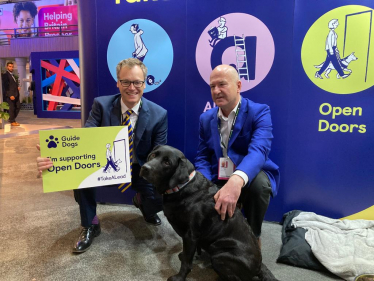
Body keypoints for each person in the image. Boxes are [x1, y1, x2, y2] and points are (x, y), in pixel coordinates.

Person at [36, 58, 168, 253]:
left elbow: (158, 154)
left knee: (161, 193)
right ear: (117, 82)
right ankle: (90, 224)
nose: (132, 87)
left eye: (137, 82)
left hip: (138, 169)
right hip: (106, 166)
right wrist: (57, 157)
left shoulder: (159, 114)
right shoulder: (102, 105)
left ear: (144, 83)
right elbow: (86, 139)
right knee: (79, 177)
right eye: (125, 82)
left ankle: (142, 202)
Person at [195, 64, 280, 247]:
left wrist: (236, 179)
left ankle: (253, 236)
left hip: (249, 173)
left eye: (222, 84)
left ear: (238, 86)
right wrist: (202, 183)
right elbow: (203, 156)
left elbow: (259, 151)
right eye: (212, 86)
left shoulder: (259, 111)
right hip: (218, 173)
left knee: (259, 186)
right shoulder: (206, 118)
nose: (216, 91)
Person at [2, 62, 21, 126]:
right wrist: (10, 95)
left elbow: (12, 85)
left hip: (16, 94)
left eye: (12, 66)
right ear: (7, 67)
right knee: (12, 108)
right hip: (11, 95)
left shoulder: (13, 75)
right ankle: (12, 121)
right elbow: (6, 86)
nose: (11, 68)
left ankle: (11, 118)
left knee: (18, 106)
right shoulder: (5, 75)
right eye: (10, 66)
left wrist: (17, 87)